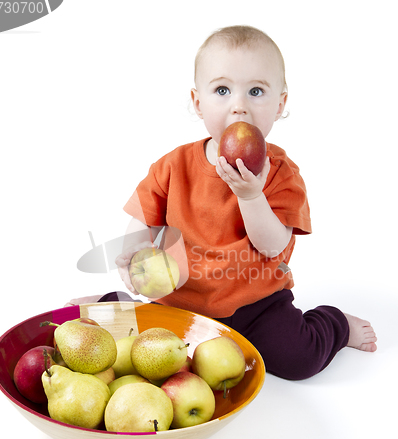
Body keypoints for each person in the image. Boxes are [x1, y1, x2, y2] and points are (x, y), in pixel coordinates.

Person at [66, 26, 377, 380]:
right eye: (222, 90)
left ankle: (336, 325)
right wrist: (135, 256)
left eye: (256, 91)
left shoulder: (282, 173)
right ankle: (110, 303)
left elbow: (274, 243)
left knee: (299, 358)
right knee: (137, 346)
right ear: (198, 102)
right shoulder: (174, 165)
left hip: (256, 305)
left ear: (280, 105)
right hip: (179, 301)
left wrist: (250, 195)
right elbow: (143, 219)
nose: (239, 106)